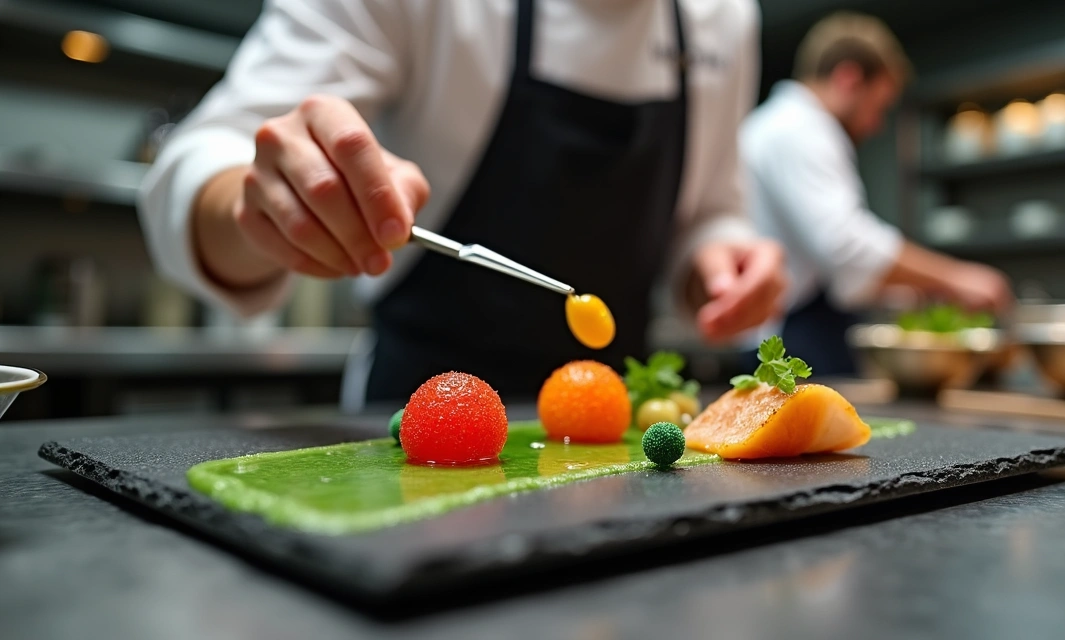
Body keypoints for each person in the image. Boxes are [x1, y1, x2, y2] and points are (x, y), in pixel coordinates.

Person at [138, 0, 787, 405]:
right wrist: (264, 208)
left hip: (612, 434)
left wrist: (715, 259)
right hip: (415, 427)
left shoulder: (725, 16)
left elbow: (710, 206)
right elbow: (204, 159)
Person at [740, 12, 1012, 376]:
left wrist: (900, 288)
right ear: (849, 78)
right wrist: (957, 278)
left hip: (799, 328)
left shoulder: (779, 125)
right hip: (793, 340)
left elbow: (827, 259)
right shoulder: (798, 130)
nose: (876, 123)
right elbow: (844, 244)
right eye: (878, 105)